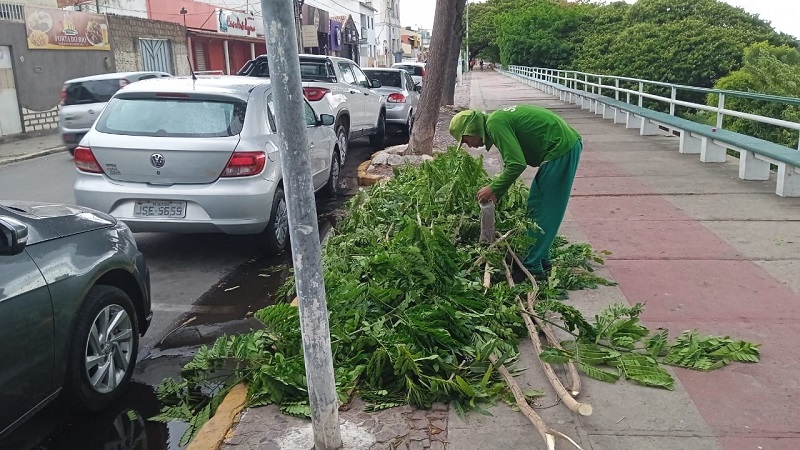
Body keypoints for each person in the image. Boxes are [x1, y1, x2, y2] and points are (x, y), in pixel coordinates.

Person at [449, 105, 582, 281]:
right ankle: (542, 259)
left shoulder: (494, 124)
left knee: (542, 209)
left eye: (465, 140)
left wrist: (493, 188)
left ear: (471, 129)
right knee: (538, 206)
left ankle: (532, 267)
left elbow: (516, 164)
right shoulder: (496, 121)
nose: (469, 145)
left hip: (561, 148)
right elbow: (513, 161)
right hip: (562, 145)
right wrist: (498, 191)